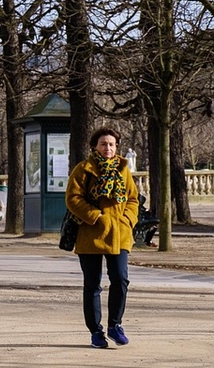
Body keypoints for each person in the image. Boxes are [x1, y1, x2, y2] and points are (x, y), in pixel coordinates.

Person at [65, 126, 139, 349]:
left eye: (112, 144)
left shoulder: (123, 169)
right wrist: (96, 216)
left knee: (120, 279)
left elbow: (133, 199)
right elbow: (73, 198)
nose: (108, 148)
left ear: (117, 147)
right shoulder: (83, 169)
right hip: (91, 234)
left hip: (119, 233)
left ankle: (115, 325)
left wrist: (127, 219)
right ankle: (96, 332)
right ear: (95, 146)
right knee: (93, 285)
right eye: (103, 144)